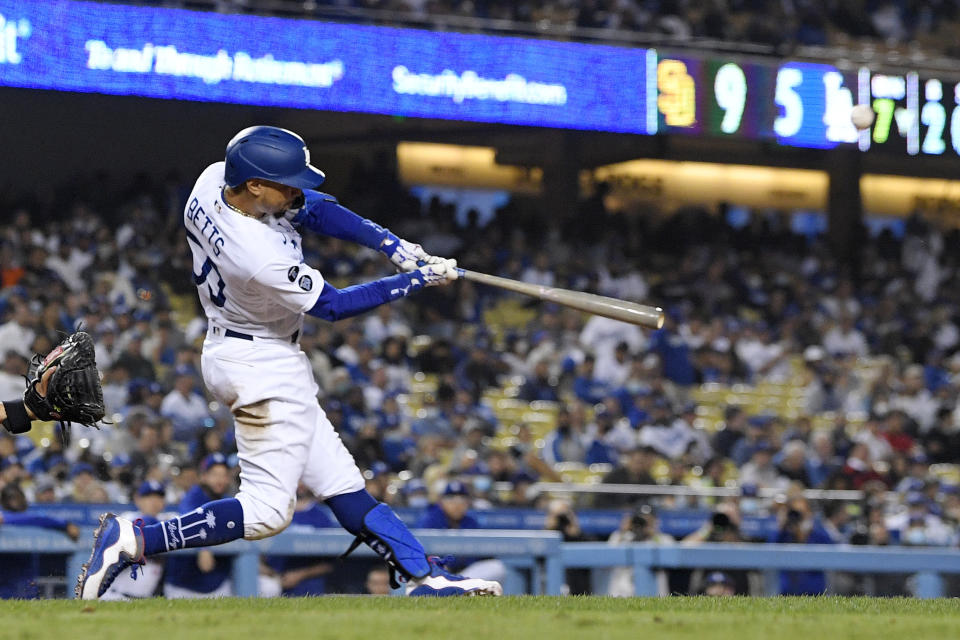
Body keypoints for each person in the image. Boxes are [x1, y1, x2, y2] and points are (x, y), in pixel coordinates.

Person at [76, 125, 501, 599]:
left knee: (341, 484)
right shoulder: (256, 255)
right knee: (266, 512)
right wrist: (415, 280)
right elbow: (334, 306)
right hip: (258, 360)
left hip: (246, 348)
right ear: (255, 185)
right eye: (285, 181)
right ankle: (135, 539)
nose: (296, 189)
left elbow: (313, 209)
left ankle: (422, 577)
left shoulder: (215, 177)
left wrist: (392, 246)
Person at [163, 454, 235, 598]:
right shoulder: (194, 495)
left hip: (217, 582)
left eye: (224, 475)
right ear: (203, 477)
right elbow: (190, 520)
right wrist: (204, 547)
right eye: (214, 474)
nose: (220, 480)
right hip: (184, 583)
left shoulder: (229, 500)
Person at [101, 480, 169, 600]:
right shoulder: (127, 517)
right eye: (148, 497)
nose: (154, 502)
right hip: (114, 595)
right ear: (138, 499)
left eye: (159, 497)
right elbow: (145, 523)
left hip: (143, 600)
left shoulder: (167, 518)